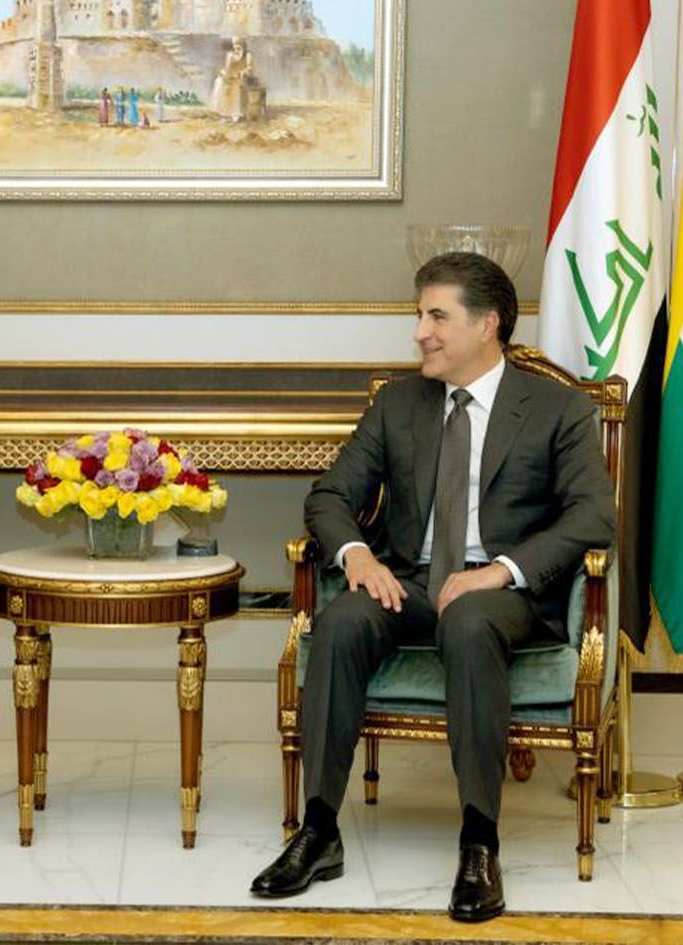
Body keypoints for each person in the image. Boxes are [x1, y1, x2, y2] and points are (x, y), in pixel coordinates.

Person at [249, 253, 615, 923]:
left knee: (470, 621)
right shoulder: (398, 403)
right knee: (341, 620)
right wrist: (359, 555)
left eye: (437, 317)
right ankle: (319, 829)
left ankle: (479, 842)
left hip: (501, 594)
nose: (420, 332)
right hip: (410, 582)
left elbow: (594, 514)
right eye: (419, 315)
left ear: (487, 324)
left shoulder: (557, 409)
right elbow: (330, 495)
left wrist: (499, 570)